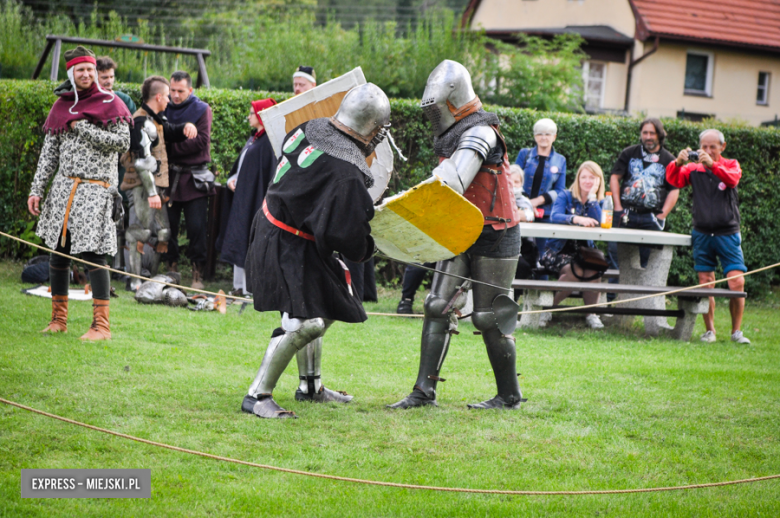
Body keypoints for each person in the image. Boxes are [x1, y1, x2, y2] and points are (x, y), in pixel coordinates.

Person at [242, 83, 391, 418]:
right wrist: (371, 244)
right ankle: (257, 396)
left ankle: (311, 386)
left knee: (322, 306)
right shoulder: (346, 172)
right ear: (373, 129)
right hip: (285, 240)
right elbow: (346, 233)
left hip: (285, 231)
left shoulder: (310, 127)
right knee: (306, 322)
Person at [389, 59, 525, 410]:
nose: (435, 114)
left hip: (496, 232)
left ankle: (509, 395)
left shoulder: (481, 130)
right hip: (460, 228)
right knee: (437, 305)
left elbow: (452, 181)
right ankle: (423, 392)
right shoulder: (453, 131)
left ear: (453, 99)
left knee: (489, 317)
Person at [27, 46, 131, 340]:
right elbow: (48, 155)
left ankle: (101, 326)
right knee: (58, 254)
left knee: (93, 255)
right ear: (71, 74)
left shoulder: (111, 103)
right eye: (80, 70)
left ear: (96, 73)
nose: (86, 75)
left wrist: (84, 128)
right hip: (62, 189)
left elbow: (122, 143)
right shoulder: (60, 106)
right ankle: (58, 319)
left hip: (95, 190)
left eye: (90, 70)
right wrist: (37, 189)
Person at [666, 129, 750, 344]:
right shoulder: (694, 168)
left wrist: (713, 165)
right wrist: (677, 162)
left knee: (737, 281)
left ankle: (736, 332)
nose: (708, 151)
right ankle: (710, 331)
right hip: (702, 232)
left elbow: (733, 180)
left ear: (723, 147)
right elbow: (674, 179)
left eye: (713, 147)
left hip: (728, 232)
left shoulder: (731, 164)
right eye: (704, 147)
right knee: (705, 282)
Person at [121, 75, 198, 291]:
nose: (169, 99)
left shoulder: (155, 118)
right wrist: (152, 192)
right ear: (157, 96)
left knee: (162, 233)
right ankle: (134, 280)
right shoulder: (141, 121)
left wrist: (186, 127)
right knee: (139, 232)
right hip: (142, 187)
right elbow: (141, 162)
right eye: (166, 95)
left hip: (153, 189)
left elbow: (170, 130)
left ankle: (146, 276)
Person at [216, 98, 278, 297]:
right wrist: (232, 180)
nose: (249, 116)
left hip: (255, 202)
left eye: (252, 113)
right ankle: (239, 287)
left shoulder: (268, 143)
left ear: (261, 115)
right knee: (240, 238)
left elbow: (268, 175)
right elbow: (241, 167)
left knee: (250, 241)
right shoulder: (255, 139)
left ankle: (249, 288)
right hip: (243, 200)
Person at [162, 70, 214, 289]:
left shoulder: (202, 109)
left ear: (190, 90)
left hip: (195, 178)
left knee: (196, 228)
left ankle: (196, 274)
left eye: (180, 91)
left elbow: (200, 141)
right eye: (172, 90)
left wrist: (168, 149)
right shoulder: (163, 107)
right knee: (168, 227)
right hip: (170, 176)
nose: (175, 95)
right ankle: (171, 270)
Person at [541, 161, 607, 329]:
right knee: (575, 272)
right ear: (577, 179)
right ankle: (546, 310)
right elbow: (555, 216)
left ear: (599, 181)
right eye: (583, 177)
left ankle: (591, 314)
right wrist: (576, 219)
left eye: (592, 178)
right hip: (557, 250)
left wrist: (592, 198)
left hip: (584, 253)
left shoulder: (600, 201)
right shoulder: (566, 195)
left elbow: (602, 222)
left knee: (594, 269)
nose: (587, 181)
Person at [608, 118, 679, 270]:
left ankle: (641, 293)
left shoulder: (669, 160)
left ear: (659, 135)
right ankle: (612, 294)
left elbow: (674, 190)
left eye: (652, 133)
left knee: (647, 263)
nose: (648, 137)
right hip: (626, 214)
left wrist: (661, 216)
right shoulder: (629, 153)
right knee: (616, 256)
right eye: (645, 133)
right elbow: (615, 177)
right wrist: (618, 207)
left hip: (651, 218)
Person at [514, 118, 567, 259]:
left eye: (548, 134)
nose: (543, 137)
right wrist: (525, 202)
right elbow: (513, 179)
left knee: (541, 258)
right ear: (534, 136)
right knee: (519, 256)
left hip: (544, 215)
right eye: (539, 134)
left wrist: (536, 202)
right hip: (521, 213)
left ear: (554, 137)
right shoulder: (524, 154)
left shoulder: (560, 160)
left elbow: (560, 190)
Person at [510, 164, 539, 298]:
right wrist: (517, 214)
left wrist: (508, 214)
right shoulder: (498, 198)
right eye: (510, 181)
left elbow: (528, 215)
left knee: (521, 266)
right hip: (501, 247)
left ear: (521, 183)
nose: (513, 184)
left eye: (517, 181)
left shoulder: (524, 200)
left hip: (524, 249)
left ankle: (513, 301)